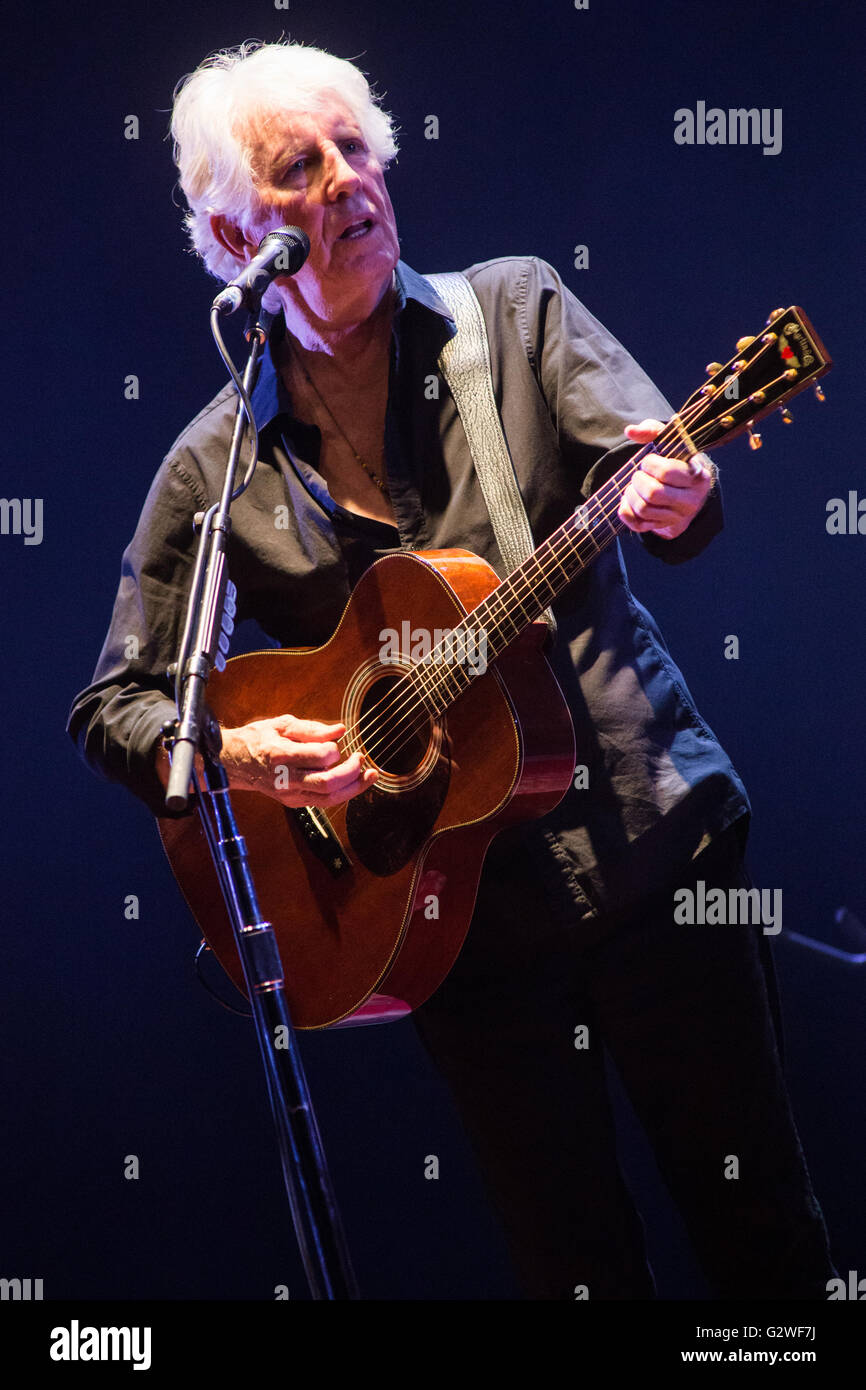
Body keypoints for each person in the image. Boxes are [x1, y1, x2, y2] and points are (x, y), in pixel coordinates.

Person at [67, 40, 835, 1299]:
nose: (346, 182)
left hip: (652, 864)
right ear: (228, 232)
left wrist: (674, 487)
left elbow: (664, 491)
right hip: (451, 936)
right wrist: (232, 753)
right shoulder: (218, 466)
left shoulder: (515, 313)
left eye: (355, 148)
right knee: (571, 1273)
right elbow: (117, 701)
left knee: (766, 1260)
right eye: (297, 169)